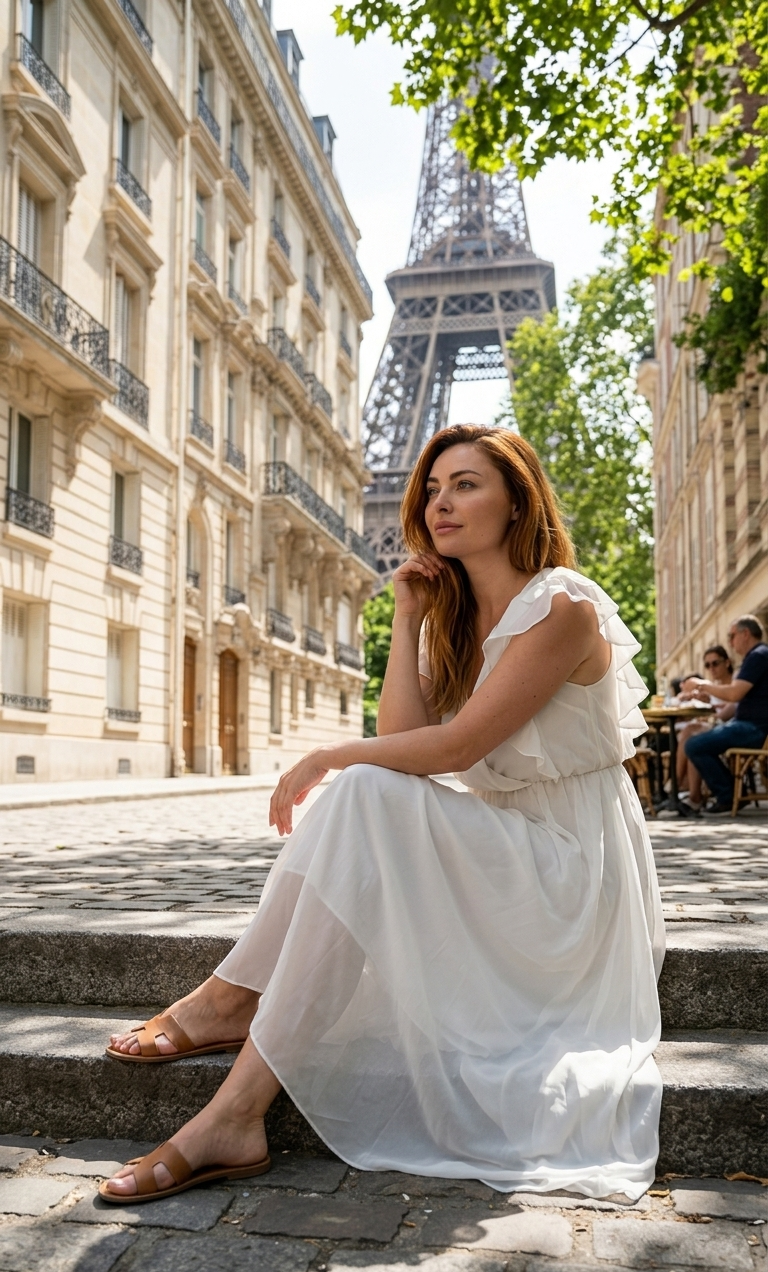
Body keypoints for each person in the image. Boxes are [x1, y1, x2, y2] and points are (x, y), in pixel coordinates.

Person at [101, 424, 664, 1205]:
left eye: (466, 484)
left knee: (360, 785)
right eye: (432, 489)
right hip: (513, 852)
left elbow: (454, 745)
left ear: (516, 500)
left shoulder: (560, 605)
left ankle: (234, 1060)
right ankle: (233, 1038)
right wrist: (408, 613)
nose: (441, 502)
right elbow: (403, 738)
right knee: (367, 793)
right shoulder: (460, 617)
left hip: (571, 871)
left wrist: (331, 754)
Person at [683, 616, 768, 814]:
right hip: (748, 725)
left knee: (694, 745)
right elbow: (735, 698)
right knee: (694, 739)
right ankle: (727, 793)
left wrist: (701, 684)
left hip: (755, 728)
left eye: (732, 636)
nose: (730, 642)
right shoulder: (756, 656)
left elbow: (734, 693)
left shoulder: (758, 655)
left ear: (745, 634)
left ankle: (727, 795)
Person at [676, 647, 735, 808]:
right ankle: (690, 795)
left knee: (692, 736)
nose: (711, 668)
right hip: (721, 727)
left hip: (734, 728)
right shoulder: (715, 688)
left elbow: (732, 707)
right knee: (691, 736)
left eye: (715, 663)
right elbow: (720, 709)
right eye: (707, 665)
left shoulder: (736, 683)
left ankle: (675, 787)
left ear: (727, 662)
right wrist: (708, 702)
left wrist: (711, 711)